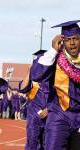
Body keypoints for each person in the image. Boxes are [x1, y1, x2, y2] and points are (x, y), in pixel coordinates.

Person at [30, 20, 80, 150]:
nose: (72, 42)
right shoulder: (55, 58)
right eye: (68, 39)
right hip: (59, 114)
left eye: (75, 38)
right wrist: (53, 49)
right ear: (63, 42)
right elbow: (36, 75)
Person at [19, 50, 52, 150]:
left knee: (48, 143)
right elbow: (23, 89)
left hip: (50, 115)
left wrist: (49, 109)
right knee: (32, 143)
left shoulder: (52, 78)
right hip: (33, 116)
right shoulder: (32, 79)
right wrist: (29, 71)